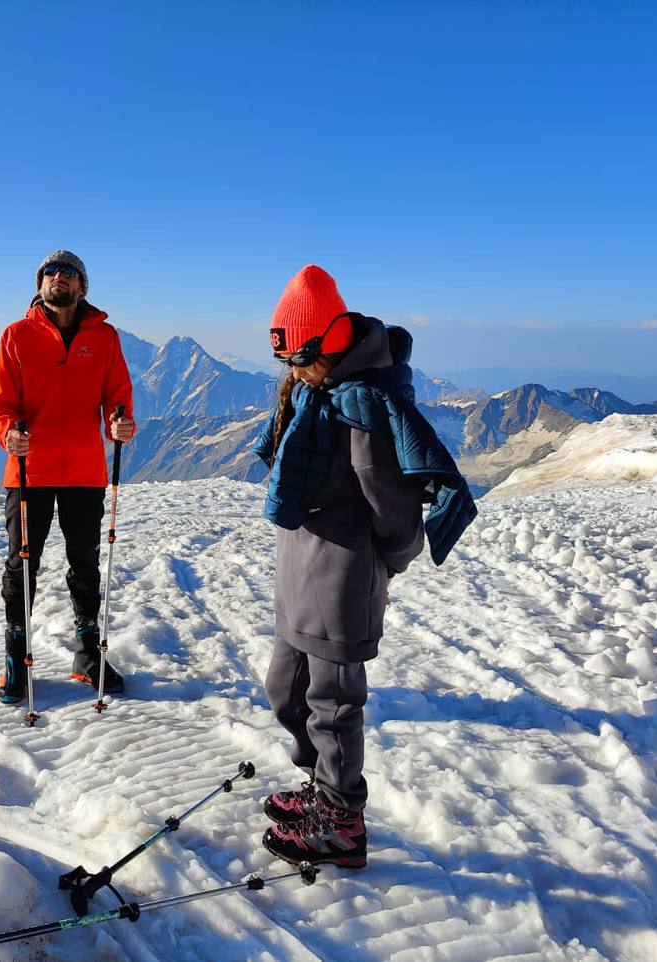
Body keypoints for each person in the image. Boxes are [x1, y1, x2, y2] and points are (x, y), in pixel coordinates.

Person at [252, 265, 476, 868]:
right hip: (299, 573)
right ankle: (323, 787)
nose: (293, 372)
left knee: (334, 705)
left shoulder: (363, 409)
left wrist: (383, 564)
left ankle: (342, 821)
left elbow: (393, 508)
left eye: (301, 357)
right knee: (287, 691)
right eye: (287, 360)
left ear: (330, 342)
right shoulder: (315, 393)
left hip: (343, 578)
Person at [0, 250, 136, 705]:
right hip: (29, 469)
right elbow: (0, 403)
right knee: (22, 563)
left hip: (85, 472)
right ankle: (17, 654)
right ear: (40, 284)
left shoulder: (104, 338)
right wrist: (8, 433)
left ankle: (87, 654)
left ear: (81, 286)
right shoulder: (16, 336)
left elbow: (118, 396)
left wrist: (120, 422)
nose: (58, 278)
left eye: (67, 273)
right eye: (50, 272)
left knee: (85, 563)